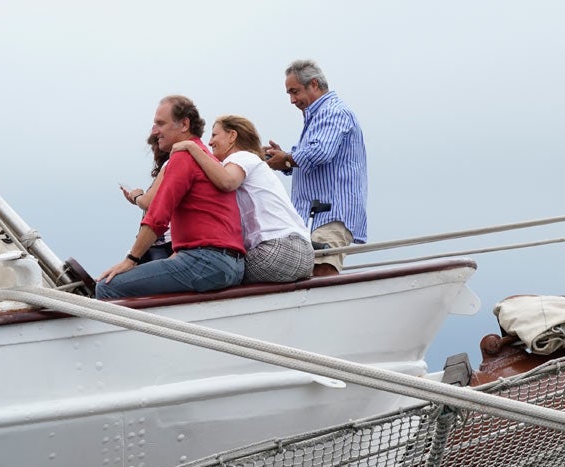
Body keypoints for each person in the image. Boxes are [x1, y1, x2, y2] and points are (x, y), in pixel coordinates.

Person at [96, 96, 245, 300]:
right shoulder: (203, 155)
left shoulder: (184, 156)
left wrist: (130, 260)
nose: (155, 130)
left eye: (160, 123)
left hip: (207, 262)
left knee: (107, 287)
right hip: (231, 264)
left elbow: (157, 216)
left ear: (184, 124)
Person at [171, 115, 313, 284]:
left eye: (214, 135)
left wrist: (192, 148)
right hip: (303, 252)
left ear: (232, 136)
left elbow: (227, 182)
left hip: (277, 250)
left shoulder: (241, 157)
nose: (209, 142)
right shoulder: (254, 162)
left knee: (215, 270)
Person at [264, 59, 367, 276]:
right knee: (312, 271)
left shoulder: (333, 111)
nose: (292, 100)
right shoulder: (319, 115)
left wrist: (286, 159)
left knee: (322, 270)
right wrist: (284, 158)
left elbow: (320, 152)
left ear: (313, 84)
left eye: (295, 92)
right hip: (318, 215)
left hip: (331, 213)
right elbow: (312, 154)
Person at [120, 133, 173, 263]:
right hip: (160, 242)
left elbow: (150, 203)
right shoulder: (168, 169)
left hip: (162, 242)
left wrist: (137, 197)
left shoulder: (169, 165)